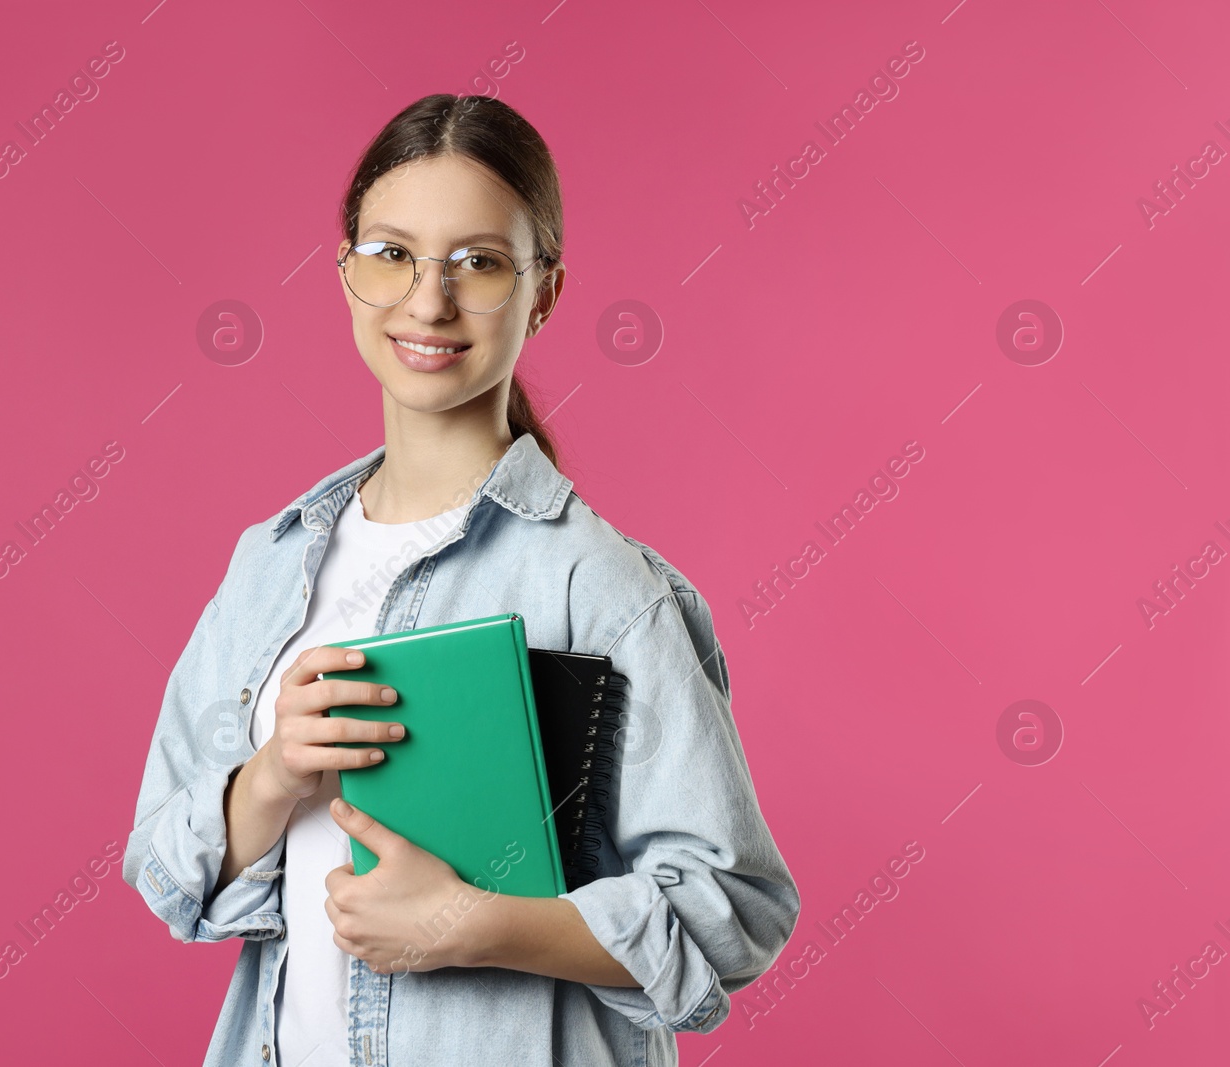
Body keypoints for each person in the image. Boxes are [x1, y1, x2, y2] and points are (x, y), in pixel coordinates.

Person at [122, 92, 800, 1067]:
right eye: (390, 253)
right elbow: (163, 868)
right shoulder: (268, 563)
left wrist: (469, 921)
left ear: (544, 291)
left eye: (477, 262)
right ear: (345, 273)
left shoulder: (601, 585)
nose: (427, 301)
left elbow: (728, 909)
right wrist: (268, 778)